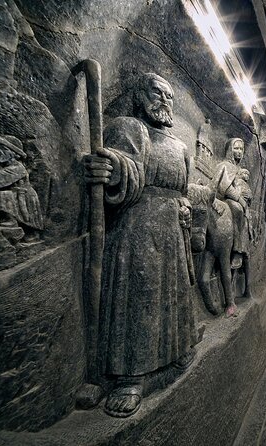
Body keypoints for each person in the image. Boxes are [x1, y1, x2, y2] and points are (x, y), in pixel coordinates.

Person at [84, 73, 196, 418]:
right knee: (141, 296)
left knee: (174, 293)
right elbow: (124, 163)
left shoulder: (179, 147)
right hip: (136, 227)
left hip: (172, 230)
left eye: (169, 96)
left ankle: (178, 350)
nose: (164, 101)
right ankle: (130, 376)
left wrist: (186, 206)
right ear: (140, 97)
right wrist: (111, 168)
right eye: (156, 92)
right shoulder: (130, 127)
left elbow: (184, 190)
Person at [214, 137, 251, 268]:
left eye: (241, 149)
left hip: (235, 198)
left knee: (242, 212)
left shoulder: (238, 169)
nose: (239, 151)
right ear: (229, 150)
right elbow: (225, 187)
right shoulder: (225, 166)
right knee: (238, 209)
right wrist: (240, 199)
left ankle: (240, 249)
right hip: (225, 198)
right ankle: (237, 250)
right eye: (236, 148)